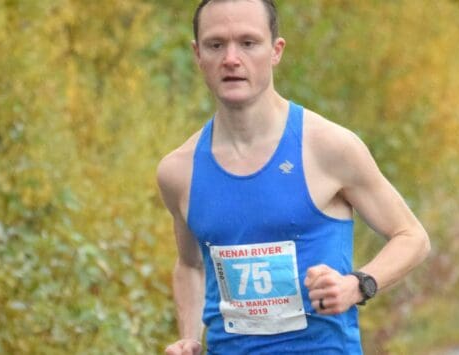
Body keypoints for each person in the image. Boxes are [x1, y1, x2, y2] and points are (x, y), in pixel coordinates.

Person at [157, 0, 431, 354]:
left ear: (276, 50)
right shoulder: (179, 171)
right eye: (215, 45)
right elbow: (190, 265)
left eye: (248, 43)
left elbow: (412, 237)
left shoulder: (328, 147)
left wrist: (356, 285)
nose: (231, 59)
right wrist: (189, 337)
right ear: (197, 54)